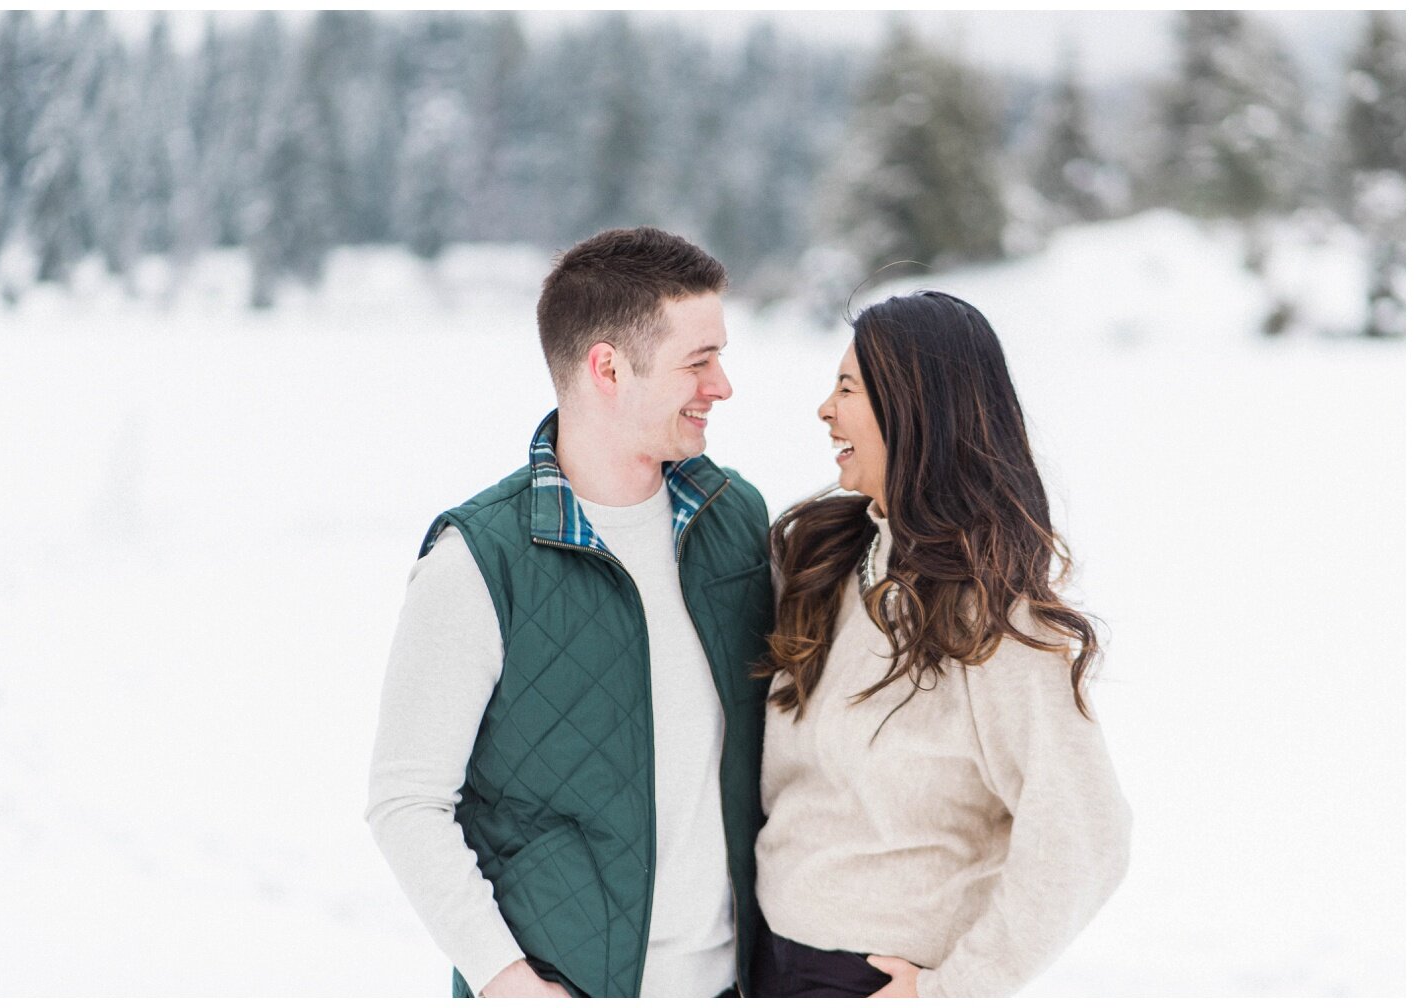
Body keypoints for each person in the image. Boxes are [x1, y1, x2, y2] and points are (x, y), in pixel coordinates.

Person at [365, 227, 774, 998]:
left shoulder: (736, 521)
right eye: (699, 360)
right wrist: (508, 982)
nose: (721, 385)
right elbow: (407, 801)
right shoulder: (480, 562)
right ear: (608, 368)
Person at [752, 291, 1131, 997]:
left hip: (870, 979)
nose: (825, 409)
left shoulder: (993, 624)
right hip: (767, 962)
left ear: (913, 409)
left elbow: (1085, 835)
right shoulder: (823, 563)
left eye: (847, 388)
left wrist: (953, 989)